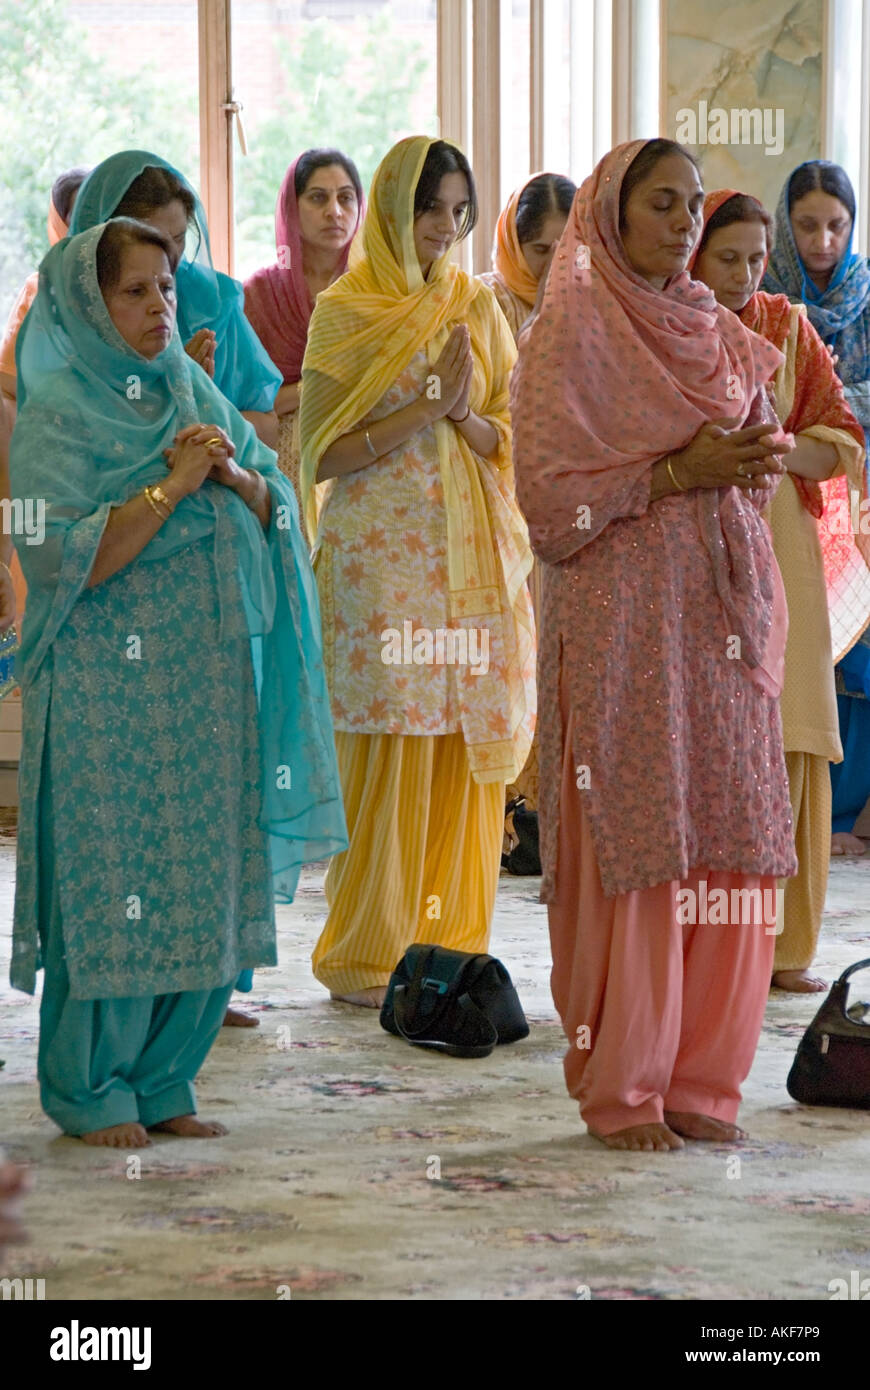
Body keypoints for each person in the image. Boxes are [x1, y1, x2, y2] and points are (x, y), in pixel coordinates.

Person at [9, 217, 346, 1146]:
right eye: (134, 292)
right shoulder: (58, 414)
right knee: (112, 869)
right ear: (88, 303)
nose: (160, 307)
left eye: (165, 288)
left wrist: (233, 474)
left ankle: (165, 1079)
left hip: (206, 671)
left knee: (200, 867)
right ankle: (90, 1087)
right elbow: (55, 557)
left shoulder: (187, 385)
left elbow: (274, 489)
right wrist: (167, 489)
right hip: (104, 688)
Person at [512, 138, 798, 1153]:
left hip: (720, 612)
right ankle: (623, 1086)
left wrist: (739, 463)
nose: (684, 225)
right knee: (642, 829)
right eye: (663, 206)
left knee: (727, 828)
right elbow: (549, 506)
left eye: (691, 207)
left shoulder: (714, 329)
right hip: (624, 617)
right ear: (612, 216)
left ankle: (701, 1081)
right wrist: (675, 474)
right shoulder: (570, 332)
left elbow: (760, 456)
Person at [299, 135, 536, 1007]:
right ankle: (368, 954)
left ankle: (445, 945)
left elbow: (512, 437)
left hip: (469, 566)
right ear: (395, 209)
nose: (443, 227)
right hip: (379, 567)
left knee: (457, 749)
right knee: (393, 744)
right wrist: (424, 410)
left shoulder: (476, 306)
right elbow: (322, 453)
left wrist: (465, 414)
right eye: (428, 209)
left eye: (457, 211)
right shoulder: (347, 310)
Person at [692, 190, 867, 993]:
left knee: (792, 727)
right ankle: (707, 942)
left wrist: (779, 448)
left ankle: (788, 943)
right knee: (713, 736)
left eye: (755, 259)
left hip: (782, 545)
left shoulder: (787, 326)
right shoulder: (670, 325)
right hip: (691, 549)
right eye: (726, 256)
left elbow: (840, 440)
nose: (742, 274)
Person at [762, 162, 870, 856]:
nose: (823, 239)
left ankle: (858, 814)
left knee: (862, 650)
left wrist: (834, 406)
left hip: (859, 495)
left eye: (837, 224)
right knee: (799, 643)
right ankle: (800, 810)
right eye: (807, 225)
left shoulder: (867, 296)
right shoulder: (766, 300)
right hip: (786, 497)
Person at [479, 172, 575, 870]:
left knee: (560, 663)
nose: (553, 265)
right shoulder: (483, 304)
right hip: (494, 509)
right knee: (508, 665)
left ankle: (551, 817)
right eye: (539, 250)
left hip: (571, 512)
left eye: (567, 247)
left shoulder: (596, 310)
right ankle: (506, 819)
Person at [67, 152, 282, 450]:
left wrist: (202, 405)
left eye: (179, 237)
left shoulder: (214, 304)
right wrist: (174, 394)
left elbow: (269, 428)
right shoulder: (72, 321)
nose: (170, 256)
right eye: (152, 241)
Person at [244, 149, 364, 507]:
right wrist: (313, 388)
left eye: (346, 198)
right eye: (317, 198)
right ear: (291, 209)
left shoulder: (373, 292)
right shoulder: (260, 296)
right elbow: (244, 402)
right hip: (281, 462)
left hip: (365, 458)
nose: (335, 212)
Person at [0, 167, 90, 422]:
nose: (93, 228)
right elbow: (9, 386)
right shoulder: (40, 291)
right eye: (80, 218)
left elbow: (136, 381)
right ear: (60, 225)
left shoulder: (133, 288)